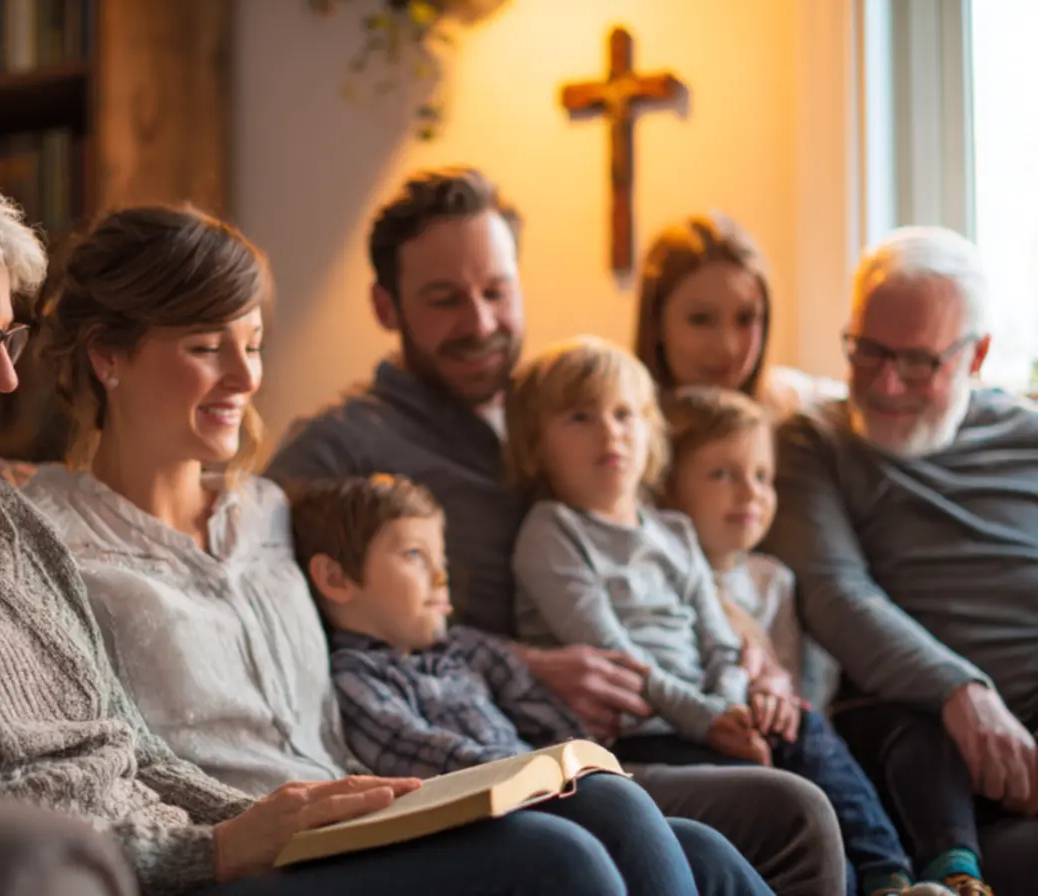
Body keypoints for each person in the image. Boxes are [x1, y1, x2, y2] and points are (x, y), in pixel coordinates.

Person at [0, 137, 630, 896]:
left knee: (603, 812)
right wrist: (214, 852)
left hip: (185, 856)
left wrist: (288, 816)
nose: (7, 377)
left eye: (8, 337)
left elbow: (128, 747)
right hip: (122, 880)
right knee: (558, 865)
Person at [267, 166, 846, 895]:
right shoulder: (335, 449)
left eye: (496, 292)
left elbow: (665, 551)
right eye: (444, 300)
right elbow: (302, 632)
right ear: (386, 305)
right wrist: (524, 662)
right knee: (791, 814)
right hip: (515, 751)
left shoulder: (562, 407)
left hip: (638, 720)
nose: (479, 323)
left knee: (814, 783)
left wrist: (741, 643)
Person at [505, 335, 944, 896]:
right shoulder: (551, 531)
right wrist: (711, 719)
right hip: (634, 735)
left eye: (624, 414)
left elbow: (717, 637)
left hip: (711, 709)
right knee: (780, 788)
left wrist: (734, 703)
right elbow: (616, 654)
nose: (610, 431)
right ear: (535, 446)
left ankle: (890, 877)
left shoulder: (674, 532)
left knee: (805, 731)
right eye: (580, 417)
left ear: (649, 432)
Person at [287, 473, 775, 896]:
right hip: (487, 817)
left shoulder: (464, 647)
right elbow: (422, 757)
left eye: (443, 559)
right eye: (415, 555)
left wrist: (572, 748)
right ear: (336, 578)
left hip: (548, 786)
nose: (441, 577)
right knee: (613, 804)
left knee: (701, 846)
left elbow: (544, 711)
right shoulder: (357, 678)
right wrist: (539, 771)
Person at [23, 206, 359, 797]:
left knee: (574, 800)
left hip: (357, 815)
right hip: (231, 855)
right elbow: (87, 764)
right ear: (108, 358)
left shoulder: (267, 510)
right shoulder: (47, 542)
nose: (244, 377)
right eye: (206, 347)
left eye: (251, 345)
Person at [764, 226, 1038, 896]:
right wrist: (958, 690)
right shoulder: (815, 443)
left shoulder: (1027, 438)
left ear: (977, 355)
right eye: (867, 351)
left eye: (916, 362)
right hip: (936, 764)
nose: (885, 384)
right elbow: (835, 593)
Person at [658, 386, 838, 712]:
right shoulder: (657, 576)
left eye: (762, 476)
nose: (750, 493)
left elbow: (790, 679)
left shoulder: (772, 580)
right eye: (722, 475)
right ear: (667, 486)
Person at [634, 214, 843, 419]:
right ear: (656, 323)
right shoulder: (618, 432)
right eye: (701, 319)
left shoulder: (793, 412)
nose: (728, 347)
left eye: (745, 319)